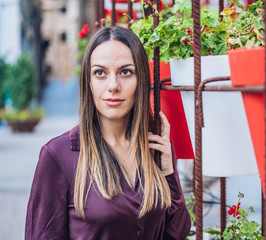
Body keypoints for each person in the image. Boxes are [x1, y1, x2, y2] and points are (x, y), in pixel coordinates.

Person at [25, 26, 191, 240]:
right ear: (89, 82)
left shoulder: (155, 147)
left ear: (140, 80)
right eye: (100, 73)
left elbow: (177, 231)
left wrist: (168, 172)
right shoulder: (58, 156)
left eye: (125, 72)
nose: (113, 85)